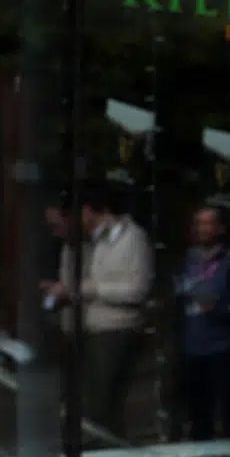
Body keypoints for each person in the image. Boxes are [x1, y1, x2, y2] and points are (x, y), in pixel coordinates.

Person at [42, 184, 152, 442]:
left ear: (88, 211)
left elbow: (136, 290)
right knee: (81, 404)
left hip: (116, 329)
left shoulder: (132, 238)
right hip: (84, 329)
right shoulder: (85, 242)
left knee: (101, 407)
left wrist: (84, 290)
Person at [176, 204, 230, 441]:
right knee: (198, 415)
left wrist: (217, 310)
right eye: (199, 223)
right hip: (192, 349)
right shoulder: (189, 260)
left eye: (208, 223)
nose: (203, 229)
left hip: (222, 349)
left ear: (220, 228)